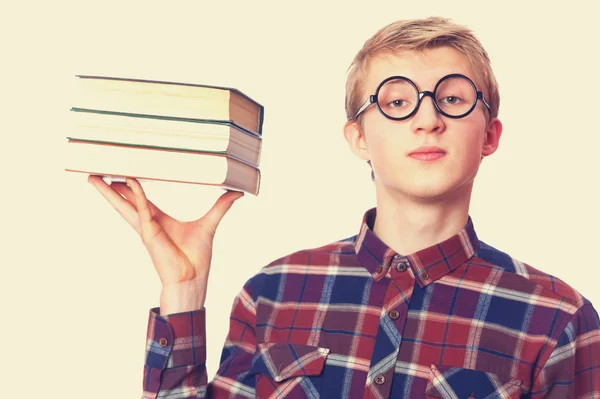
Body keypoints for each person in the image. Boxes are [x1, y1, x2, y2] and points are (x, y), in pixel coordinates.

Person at [88, 17, 600, 399]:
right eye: (396, 103)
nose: (427, 119)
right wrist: (183, 288)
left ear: (489, 135)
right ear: (358, 137)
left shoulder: (558, 321)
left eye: (453, 99)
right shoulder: (272, 293)